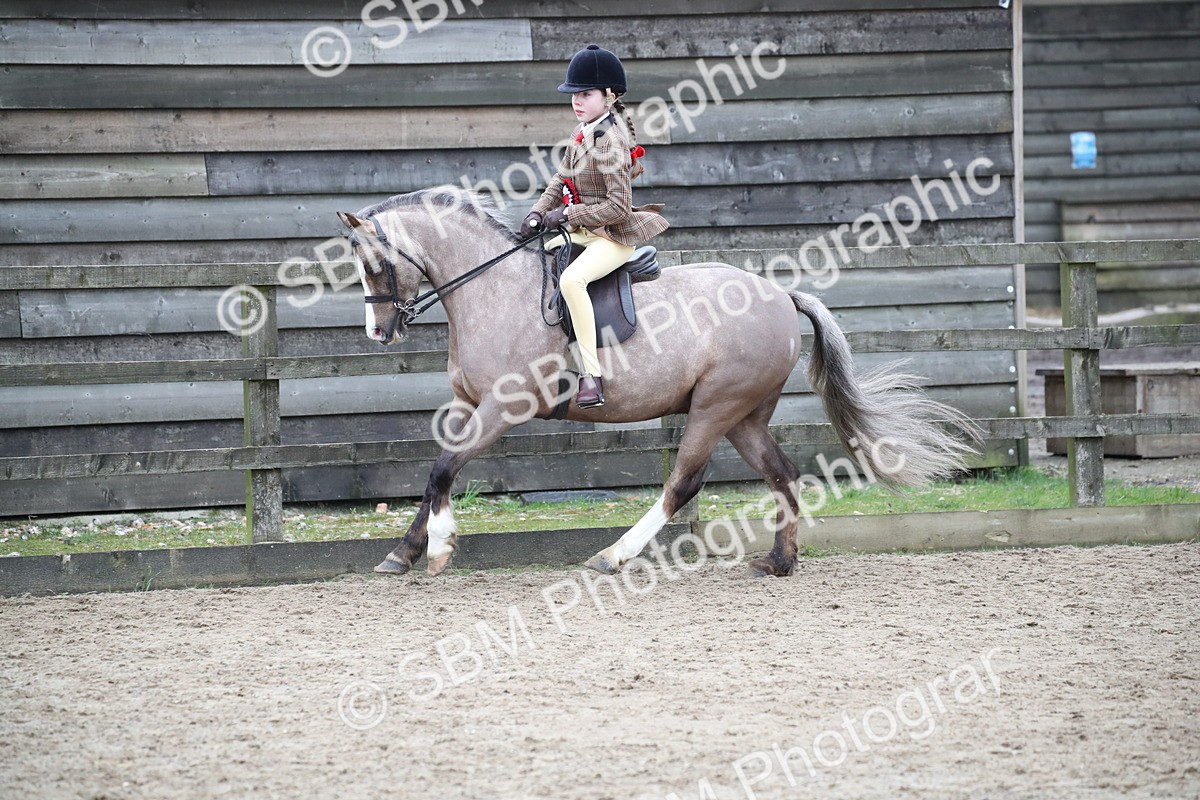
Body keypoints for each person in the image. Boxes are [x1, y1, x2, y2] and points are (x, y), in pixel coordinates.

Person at [520, 44, 669, 409]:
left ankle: (591, 375)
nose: (577, 101)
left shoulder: (611, 142)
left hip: (614, 237)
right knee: (532, 264)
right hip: (587, 231)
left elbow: (617, 208)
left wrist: (567, 216)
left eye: (585, 94)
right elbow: (560, 180)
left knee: (573, 280)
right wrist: (537, 213)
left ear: (609, 96)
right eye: (575, 94)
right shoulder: (583, 132)